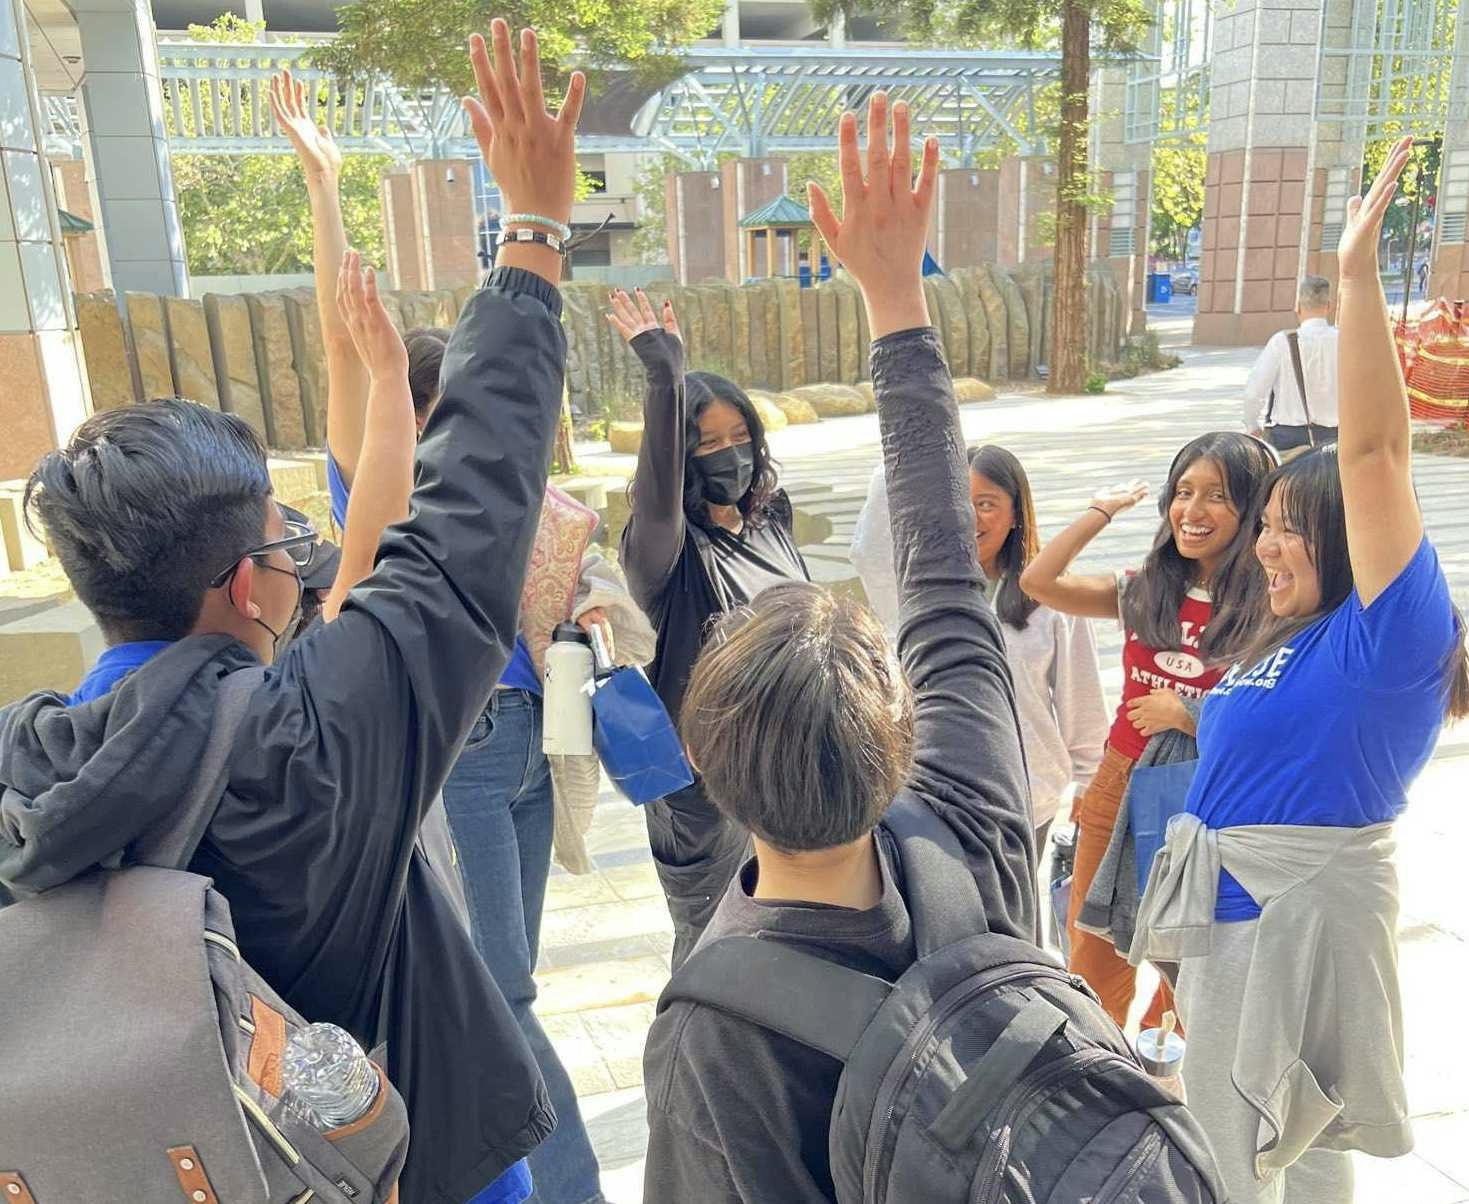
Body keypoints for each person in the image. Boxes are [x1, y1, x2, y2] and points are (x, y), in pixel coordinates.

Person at [2, 23, 582, 1204]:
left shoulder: (28, 766)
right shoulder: (316, 744)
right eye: (283, 537)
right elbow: (471, 518)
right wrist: (531, 236)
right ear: (244, 583)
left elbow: (438, 528)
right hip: (392, 1165)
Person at [642, 93, 1037, 1202]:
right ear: (903, 731)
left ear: (712, 775)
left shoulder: (716, 1025)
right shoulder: (973, 806)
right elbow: (945, 570)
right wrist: (895, 300)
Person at [272, 61, 634, 1204]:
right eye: (431, 404)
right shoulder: (378, 511)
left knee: (511, 975)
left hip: (524, 736)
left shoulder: (495, 507)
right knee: (502, 992)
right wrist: (323, 193)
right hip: (458, 759)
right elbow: (346, 353)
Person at [1131, 138, 1469, 1204]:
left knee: (1239, 1167)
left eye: (1284, 527)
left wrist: (1356, 279)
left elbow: (1371, 455)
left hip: (1287, 923)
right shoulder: (1293, 638)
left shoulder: (1388, 640)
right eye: (1262, 525)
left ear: (1345, 536)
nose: (1262, 547)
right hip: (1235, 924)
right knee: (1288, 1154)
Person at [1019, 431, 1277, 1030]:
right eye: (1183, 491)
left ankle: (1172, 1076)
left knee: (1185, 957)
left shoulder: (1271, 603)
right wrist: (1100, 511)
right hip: (1120, 781)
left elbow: (1281, 713)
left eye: (1217, 495)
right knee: (1093, 944)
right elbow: (1039, 581)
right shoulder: (1143, 590)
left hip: (1211, 794)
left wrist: (1188, 714)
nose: (1193, 510)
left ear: (1254, 508)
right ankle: (1097, 1065)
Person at [612, 287, 811, 968]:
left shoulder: (770, 518)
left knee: (794, 943)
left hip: (794, 766)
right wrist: (664, 381)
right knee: (714, 951)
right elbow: (657, 495)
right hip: (705, 790)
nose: (730, 456)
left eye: (740, 439)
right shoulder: (661, 554)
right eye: (707, 444)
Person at [848, 446, 1109, 850]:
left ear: (1016, 514)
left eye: (986, 504)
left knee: (1012, 913)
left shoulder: (1051, 601)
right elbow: (866, 547)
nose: (969, 517)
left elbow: (1083, 698)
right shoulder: (913, 593)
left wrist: (1089, 781)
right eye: (956, 503)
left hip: (1025, 797)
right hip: (931, 793)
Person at [1243, 276, 1340, 453]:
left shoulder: (1281, 342)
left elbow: (1254, 391)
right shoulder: (1344, 341)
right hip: (1334, 439)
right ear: (1329, 306)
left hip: (1288, 439)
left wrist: (1252, 425)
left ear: (1298, 307)